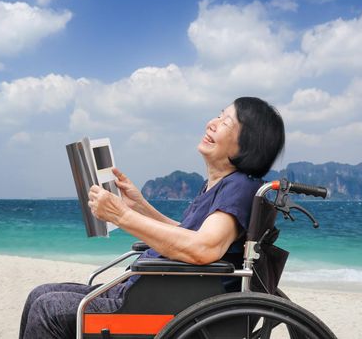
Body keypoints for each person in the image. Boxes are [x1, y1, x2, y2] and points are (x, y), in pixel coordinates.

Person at [19, 96, 285, 339]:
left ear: (248, 144)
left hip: (165, 308)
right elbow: (187, 235)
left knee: (48, 309)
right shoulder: (221, 185)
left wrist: (122, 216)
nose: (212, 123)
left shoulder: (238, 187)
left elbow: (204, 248)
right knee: (39, 295)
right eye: (218, 115)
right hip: (149, 292)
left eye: (226, 121)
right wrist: (140, 207)